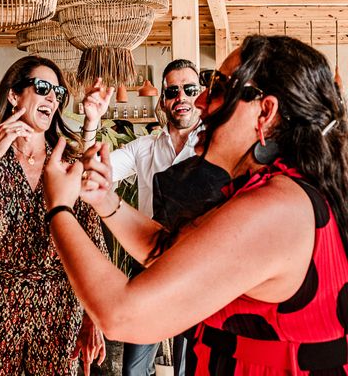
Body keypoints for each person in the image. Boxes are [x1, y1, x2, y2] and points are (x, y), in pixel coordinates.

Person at [44, 35, 348, 374]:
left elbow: (122, 315)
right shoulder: (267, 193)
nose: (200, 100)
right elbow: (165, 251)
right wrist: (105, 200)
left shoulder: (277, 208)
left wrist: (58, 209)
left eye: (217, 87)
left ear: (265, 112)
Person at [0, 56, 107, 376]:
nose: (52, 98)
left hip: (59, 305)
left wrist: (94, 316)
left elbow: (90, 239)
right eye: (42, 88)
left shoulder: (66, 160)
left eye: (58, 93)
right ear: (14, 95)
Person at [81, 60, 203, 376]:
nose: (181, 98)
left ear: (199, 94)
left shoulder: (212, 146)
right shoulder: (145, 148)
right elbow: (95, 172)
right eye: (173, 91)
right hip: (148, 261)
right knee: (133, 370)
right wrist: (92, 121)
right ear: (162, 99)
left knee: (189, 368)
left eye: (189, 89)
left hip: (198, 266)